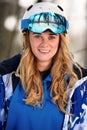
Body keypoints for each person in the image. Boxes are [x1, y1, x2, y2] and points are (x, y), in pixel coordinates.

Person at [0, 1, 87, 130]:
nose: (44, 44)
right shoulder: (5, 77)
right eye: (38, 36)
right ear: (27, 38)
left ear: (61, 39)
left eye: (51, 37)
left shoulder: (79, 82)